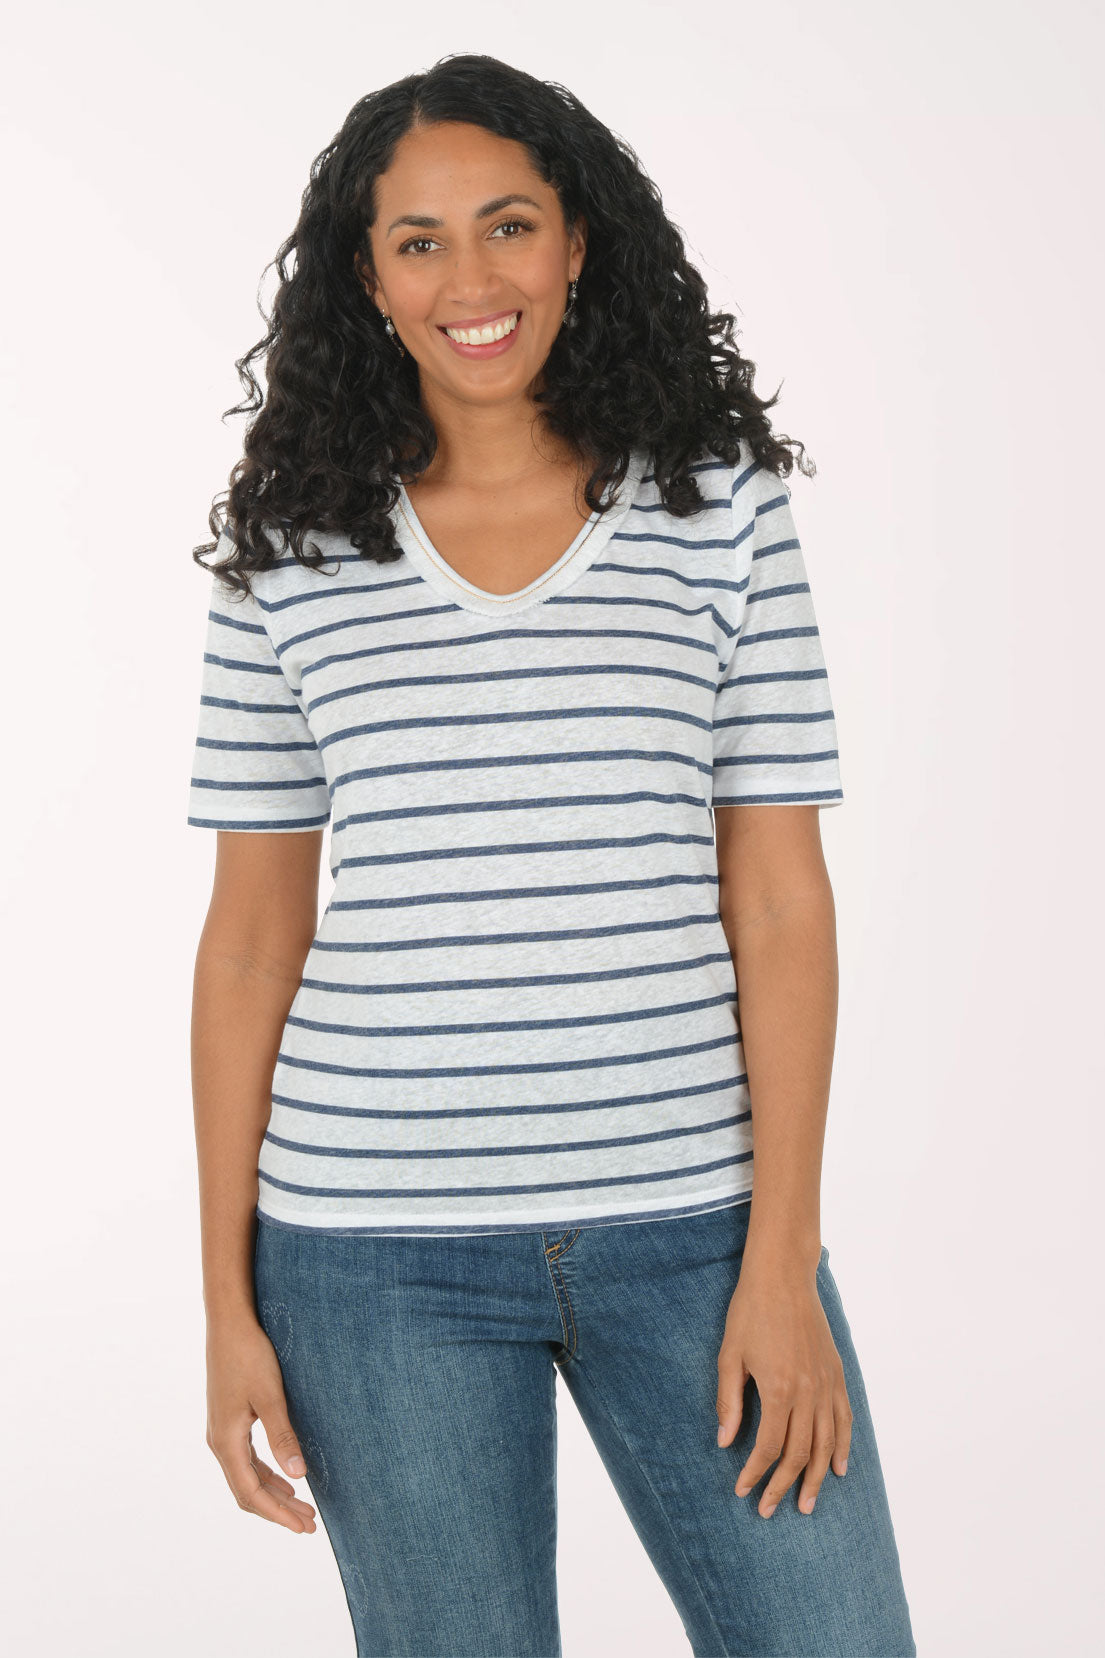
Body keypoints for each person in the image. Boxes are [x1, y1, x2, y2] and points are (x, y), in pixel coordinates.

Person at [187, 52, 917, 1658]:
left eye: (507, 225)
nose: (472, 278)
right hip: (371, 1254)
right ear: (366, 279)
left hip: (696, 1233)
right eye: (421, 241)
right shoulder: (292, 540)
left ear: (578, 241)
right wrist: (225, 1297)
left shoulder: (714, 504)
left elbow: (779, 895)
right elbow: (249, 933)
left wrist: (780, 1256)